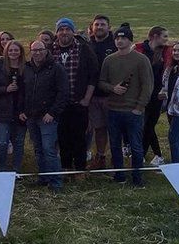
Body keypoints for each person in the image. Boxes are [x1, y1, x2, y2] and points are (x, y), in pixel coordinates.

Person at [97, 25, 154, 187]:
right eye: (117, 38)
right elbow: (101, 82)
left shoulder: (141, 60)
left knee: (135, 146)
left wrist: (139, 107)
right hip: (113, 110)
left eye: (124, 38)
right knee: (114, 144)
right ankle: (119, 175)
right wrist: (112, 88)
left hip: (133, 111)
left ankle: (137, 177)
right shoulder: (109, 60)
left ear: (130, 40)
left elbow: (147, 86)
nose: (120, 41)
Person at [52, 17, 99, 175]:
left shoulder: (84, 49)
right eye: (61, 29)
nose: (64, 32)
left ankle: (80, 170)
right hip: (59, 104)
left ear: (73, 31)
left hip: (79, 101)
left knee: (80, 137)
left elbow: (93, 75)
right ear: (57, 32)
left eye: (67, 29)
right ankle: (65, 168)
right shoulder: (51, 50)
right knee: (62, 136)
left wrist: (87, 98)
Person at [22, 41, 68, 191]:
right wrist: (22, 110)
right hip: (31, 116)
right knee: (38, 148)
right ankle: (44, 177)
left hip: (47, 117)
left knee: (49, 149)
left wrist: (52, 113)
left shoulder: (56, 68)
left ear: (46, 51)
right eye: (34, 50)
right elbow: (23, 92)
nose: (37, 53)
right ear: (30, 52)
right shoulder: (27, 68)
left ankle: (56, 181)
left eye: (40, 50)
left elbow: (63, 93)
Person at [135, 26, 171, 166]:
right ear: (155, 36)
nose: (167, 39)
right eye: (164, 36)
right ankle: (154, 155)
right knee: (144, 126)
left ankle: (151, 155)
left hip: (157, 95)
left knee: (149, 125)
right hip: (142, 93)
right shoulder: (139, 49)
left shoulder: (166, 52)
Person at [0, 41, 26, 172]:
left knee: (19, 142)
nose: (13, 53)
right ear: (6, 51)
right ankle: (2, 168)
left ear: (20, 52)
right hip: (3, 110)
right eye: (10, 50)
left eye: (16, 50)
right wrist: (6, 89)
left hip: (20, 110)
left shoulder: (26, 67)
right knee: (2, 142)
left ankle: (16, 169)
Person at [87, 15, 117, 169]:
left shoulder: (115, 44)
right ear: (92, 27)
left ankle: (116, 159)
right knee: (99, 128)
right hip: (93, 96)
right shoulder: (88, 44)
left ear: (109, 27)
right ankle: (101, 157)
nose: (99, 27)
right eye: (96, 24)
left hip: (111, 96)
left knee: (114, 129)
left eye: (103, 24)